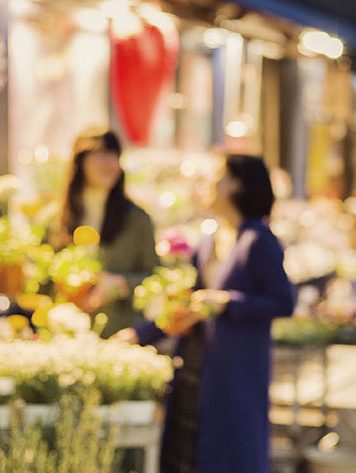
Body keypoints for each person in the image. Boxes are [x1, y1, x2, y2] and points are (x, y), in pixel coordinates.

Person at [113, 154, 295, 473]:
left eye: (217, 176)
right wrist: (140, 334)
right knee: (188, 456)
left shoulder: (258, 240)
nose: (207, 184)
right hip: (196, 367)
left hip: (237, 373)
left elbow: (283, 302)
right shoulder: (208, 240)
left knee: (234, 455)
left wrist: (227, 302)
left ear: (237, 184)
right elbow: (188, 303)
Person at [51, 130, 158, 337]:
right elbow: (42, 279)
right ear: (80, 161)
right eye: (100, 154)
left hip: (118, 334)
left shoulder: (137, 219)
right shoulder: (54, 218)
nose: (109, 164)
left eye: (114, 155)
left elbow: (155, 277)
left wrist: (120, 284)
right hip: (63, 333)